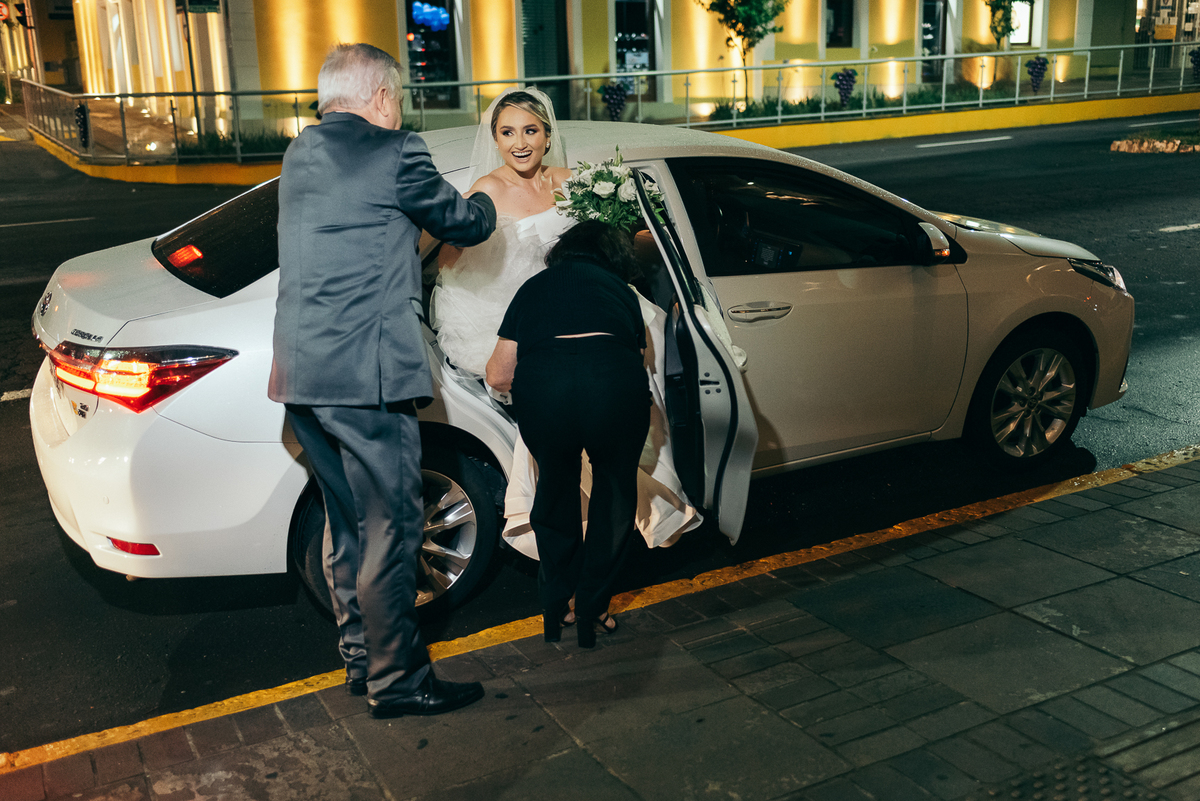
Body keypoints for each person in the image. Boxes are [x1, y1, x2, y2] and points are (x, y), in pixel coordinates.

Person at [269, 43, 496, 718]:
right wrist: (486, 199)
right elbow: (462, 222)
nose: (398, 108)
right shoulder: (398, 152)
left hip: (303, 376)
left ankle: (362, 658)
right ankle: (399, 682)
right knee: (393, 526)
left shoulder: (299, 155)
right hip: (366, 376)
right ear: (378, 97)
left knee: (348, 524)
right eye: (396, 96)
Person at [485, 221, 651, 648]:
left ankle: (555, 608)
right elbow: (638, 356)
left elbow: (499, 375)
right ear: (613, 255)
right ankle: (593, 607)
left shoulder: (532, 289)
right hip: (612, 387)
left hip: (547, 393)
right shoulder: (621, 291)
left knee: (555, 492)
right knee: (614, 494)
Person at [431, 87, 574, 378]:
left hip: (576, 302)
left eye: (530, 131)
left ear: (547, 136)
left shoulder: (567, 180)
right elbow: (446, 261)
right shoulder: (487, 191)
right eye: (507, 132)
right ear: (495, 140)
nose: (519, 143)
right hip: (518, 323)